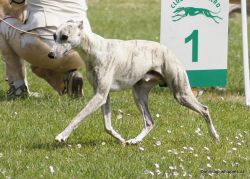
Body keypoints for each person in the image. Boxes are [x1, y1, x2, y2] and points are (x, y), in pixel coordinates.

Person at [0, 0, 91, 99]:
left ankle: (17, 88)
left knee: (4, 22)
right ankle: (68, 81)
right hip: (83, 51)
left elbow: (13, 8)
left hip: (49, 48)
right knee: (39, 68)